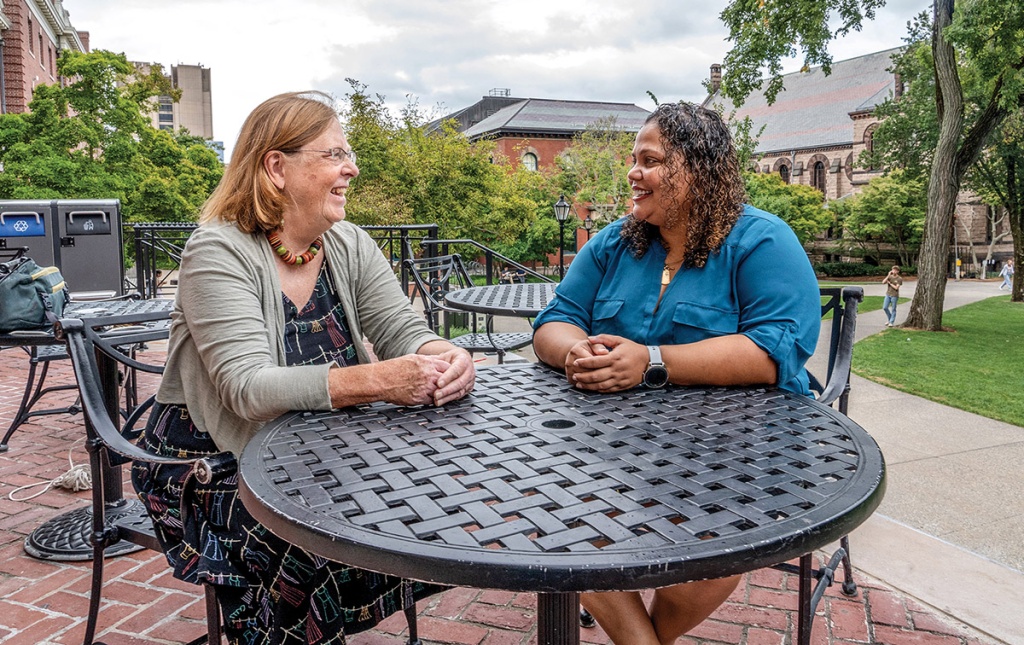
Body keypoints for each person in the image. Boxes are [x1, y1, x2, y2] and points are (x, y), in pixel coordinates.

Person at [131, 91, 476, 644]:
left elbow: (403, 333)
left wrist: (444, 356)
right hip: (212, 459)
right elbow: (247, 390)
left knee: (434, 509)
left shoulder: (349, 243)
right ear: (276, 168)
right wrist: (380, 380)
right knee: (311, 549)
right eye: (333, 154)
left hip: (322, 450)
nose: (352, 167)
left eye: (349, 153)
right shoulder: (217, 250)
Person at [532, 102, 821, 644]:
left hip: (733, 449)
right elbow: (555, 320)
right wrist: (574, 351)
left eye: (651, 160)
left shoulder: (761, 240)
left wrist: (652, 362)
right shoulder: (617, 241)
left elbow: (776, 349)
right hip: (609, 445)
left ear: (699, 168)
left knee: (720, 549)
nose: (632, 173)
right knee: (558, 514)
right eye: (633, 160)